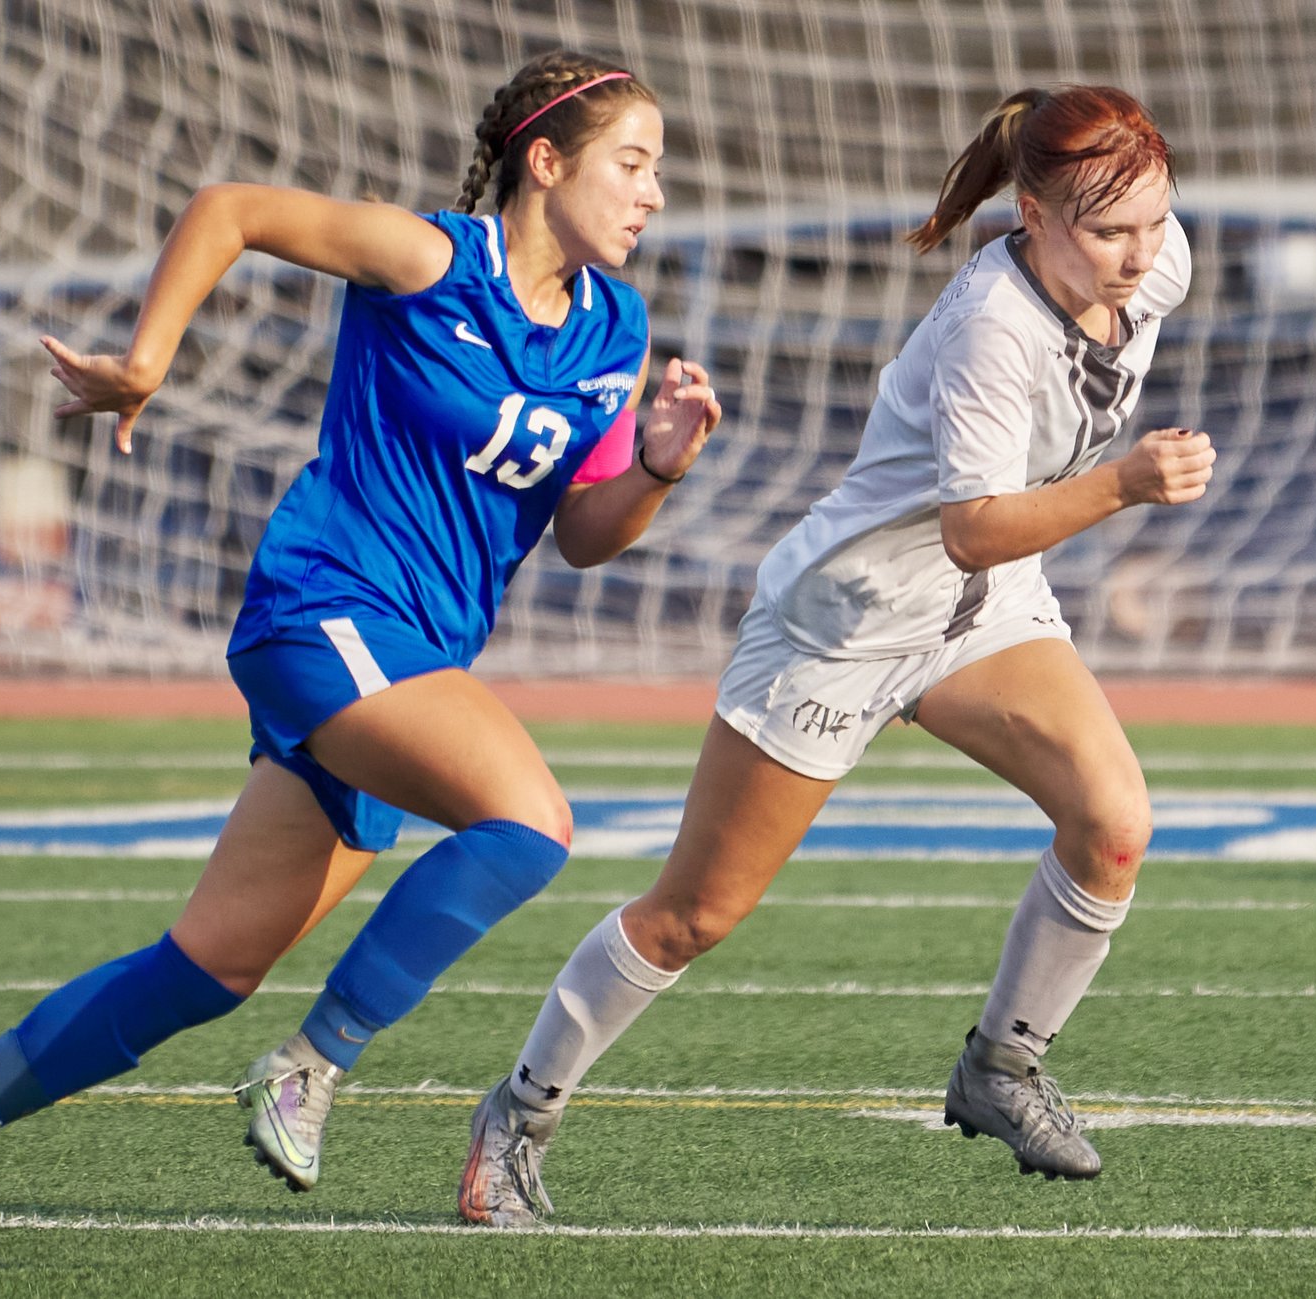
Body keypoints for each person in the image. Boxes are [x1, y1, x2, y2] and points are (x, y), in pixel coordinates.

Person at [0, 51, 721, 1263]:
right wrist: (148, 359)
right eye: (633, 163)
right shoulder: (432, 259)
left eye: (658, 171)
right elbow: (234, 212)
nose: (653, 194)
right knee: (528, 824)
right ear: (545, 160)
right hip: (327, 611)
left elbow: (583, 535)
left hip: (413, 655)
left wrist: (659, 468)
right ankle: (314, 1066)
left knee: (206, 967)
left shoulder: (615, 327)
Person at [449, 84, 1210, 1227]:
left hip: (977, 610)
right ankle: (516, 1113)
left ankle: (998, 1069)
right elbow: (972, 524)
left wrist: (1108, 457)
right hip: (844, 624)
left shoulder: (1157, 261)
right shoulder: (990, 330)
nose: (1139, 254)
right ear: (1031, 215)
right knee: (694, 915)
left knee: (1113, 824)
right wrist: (1121, 483)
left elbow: (982, 556)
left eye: (1153, 222)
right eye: (1108, 232)